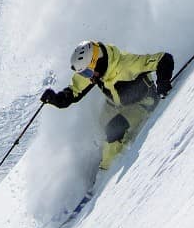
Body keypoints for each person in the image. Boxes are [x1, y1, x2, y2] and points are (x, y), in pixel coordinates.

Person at [41, 40, 173, 170]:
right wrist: (57, 99)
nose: (87, 78)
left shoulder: (126, 65)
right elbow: (75, 91)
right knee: (97, 130)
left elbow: (164, 59)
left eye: (86, 73)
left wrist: (163, 82)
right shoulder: (93, 72)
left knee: (114, 129)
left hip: (141, 104)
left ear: (97, 62)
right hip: (114, 105)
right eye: (83, 74)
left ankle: (105, 174)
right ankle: (102, 154)